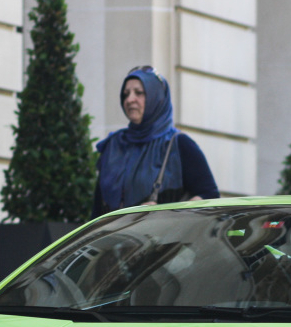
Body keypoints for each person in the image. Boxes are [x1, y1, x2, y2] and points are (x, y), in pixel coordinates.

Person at [94, 66, 219, 215]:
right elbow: (97, 208)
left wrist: (167, 214)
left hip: (164, 237)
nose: (130, 99)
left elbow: (209, 195)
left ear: (157, 97)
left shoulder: (178, 144)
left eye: (139, 93)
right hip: (116, 236)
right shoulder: (113, 145)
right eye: (126, 94)